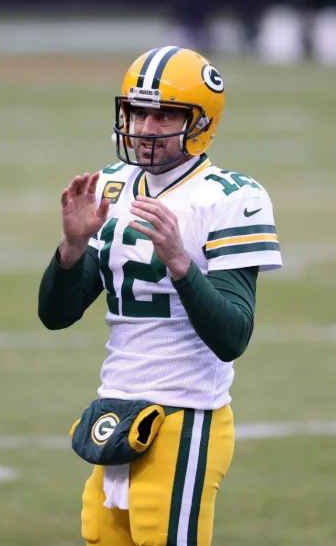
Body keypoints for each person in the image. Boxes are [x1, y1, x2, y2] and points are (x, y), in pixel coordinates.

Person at [37, 46, 283, 545]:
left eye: (164, 113)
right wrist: (72, 246)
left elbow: (233, 335)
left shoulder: (232, 197)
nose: (146, 127)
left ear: (200, 122)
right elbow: (55, 315)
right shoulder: (109, 185)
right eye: (138, 111)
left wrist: (180, 261)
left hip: (186, 415)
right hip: (116, 409)